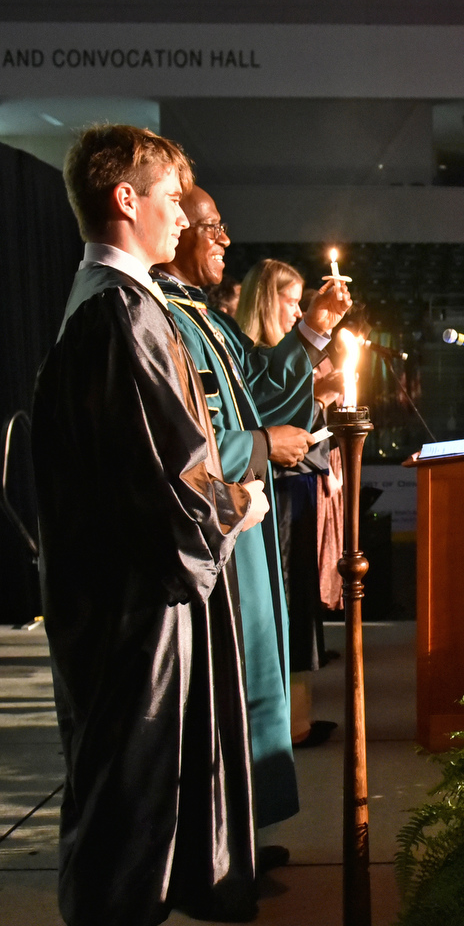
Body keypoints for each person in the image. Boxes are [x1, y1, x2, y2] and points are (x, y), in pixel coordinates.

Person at [35, 124, 270, 926]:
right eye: (169, 196)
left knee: (136, 783)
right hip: (126, 604)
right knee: (122, 786)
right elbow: (168, 479)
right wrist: (239, 503)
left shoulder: (113, 302)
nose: (182, 213)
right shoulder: (117, 314)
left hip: (122, 592)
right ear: (124, 199)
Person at [153, 186, 305, 848]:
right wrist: (266, 445)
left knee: (254, 675)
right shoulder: (160, 317)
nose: (222, 239)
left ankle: (244, 828)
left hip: (242, 514)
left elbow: (262, 388)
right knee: (228, 685)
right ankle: (225, 838)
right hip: (215, 522)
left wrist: (314, 332)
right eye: (209, 225)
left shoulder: (203, 317)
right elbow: (187, 441)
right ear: (177, 224)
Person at [234, 257, 348, 747]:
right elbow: (270, 412)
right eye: (291, 300)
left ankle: (294, 720)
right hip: (272, 497)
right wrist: (313, 335)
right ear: (265, 299)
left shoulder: (279, 353)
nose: (298, 310)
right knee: (281, 605)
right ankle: (282, 726)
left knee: (298, 605)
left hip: (296, 490)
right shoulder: (250, 352)